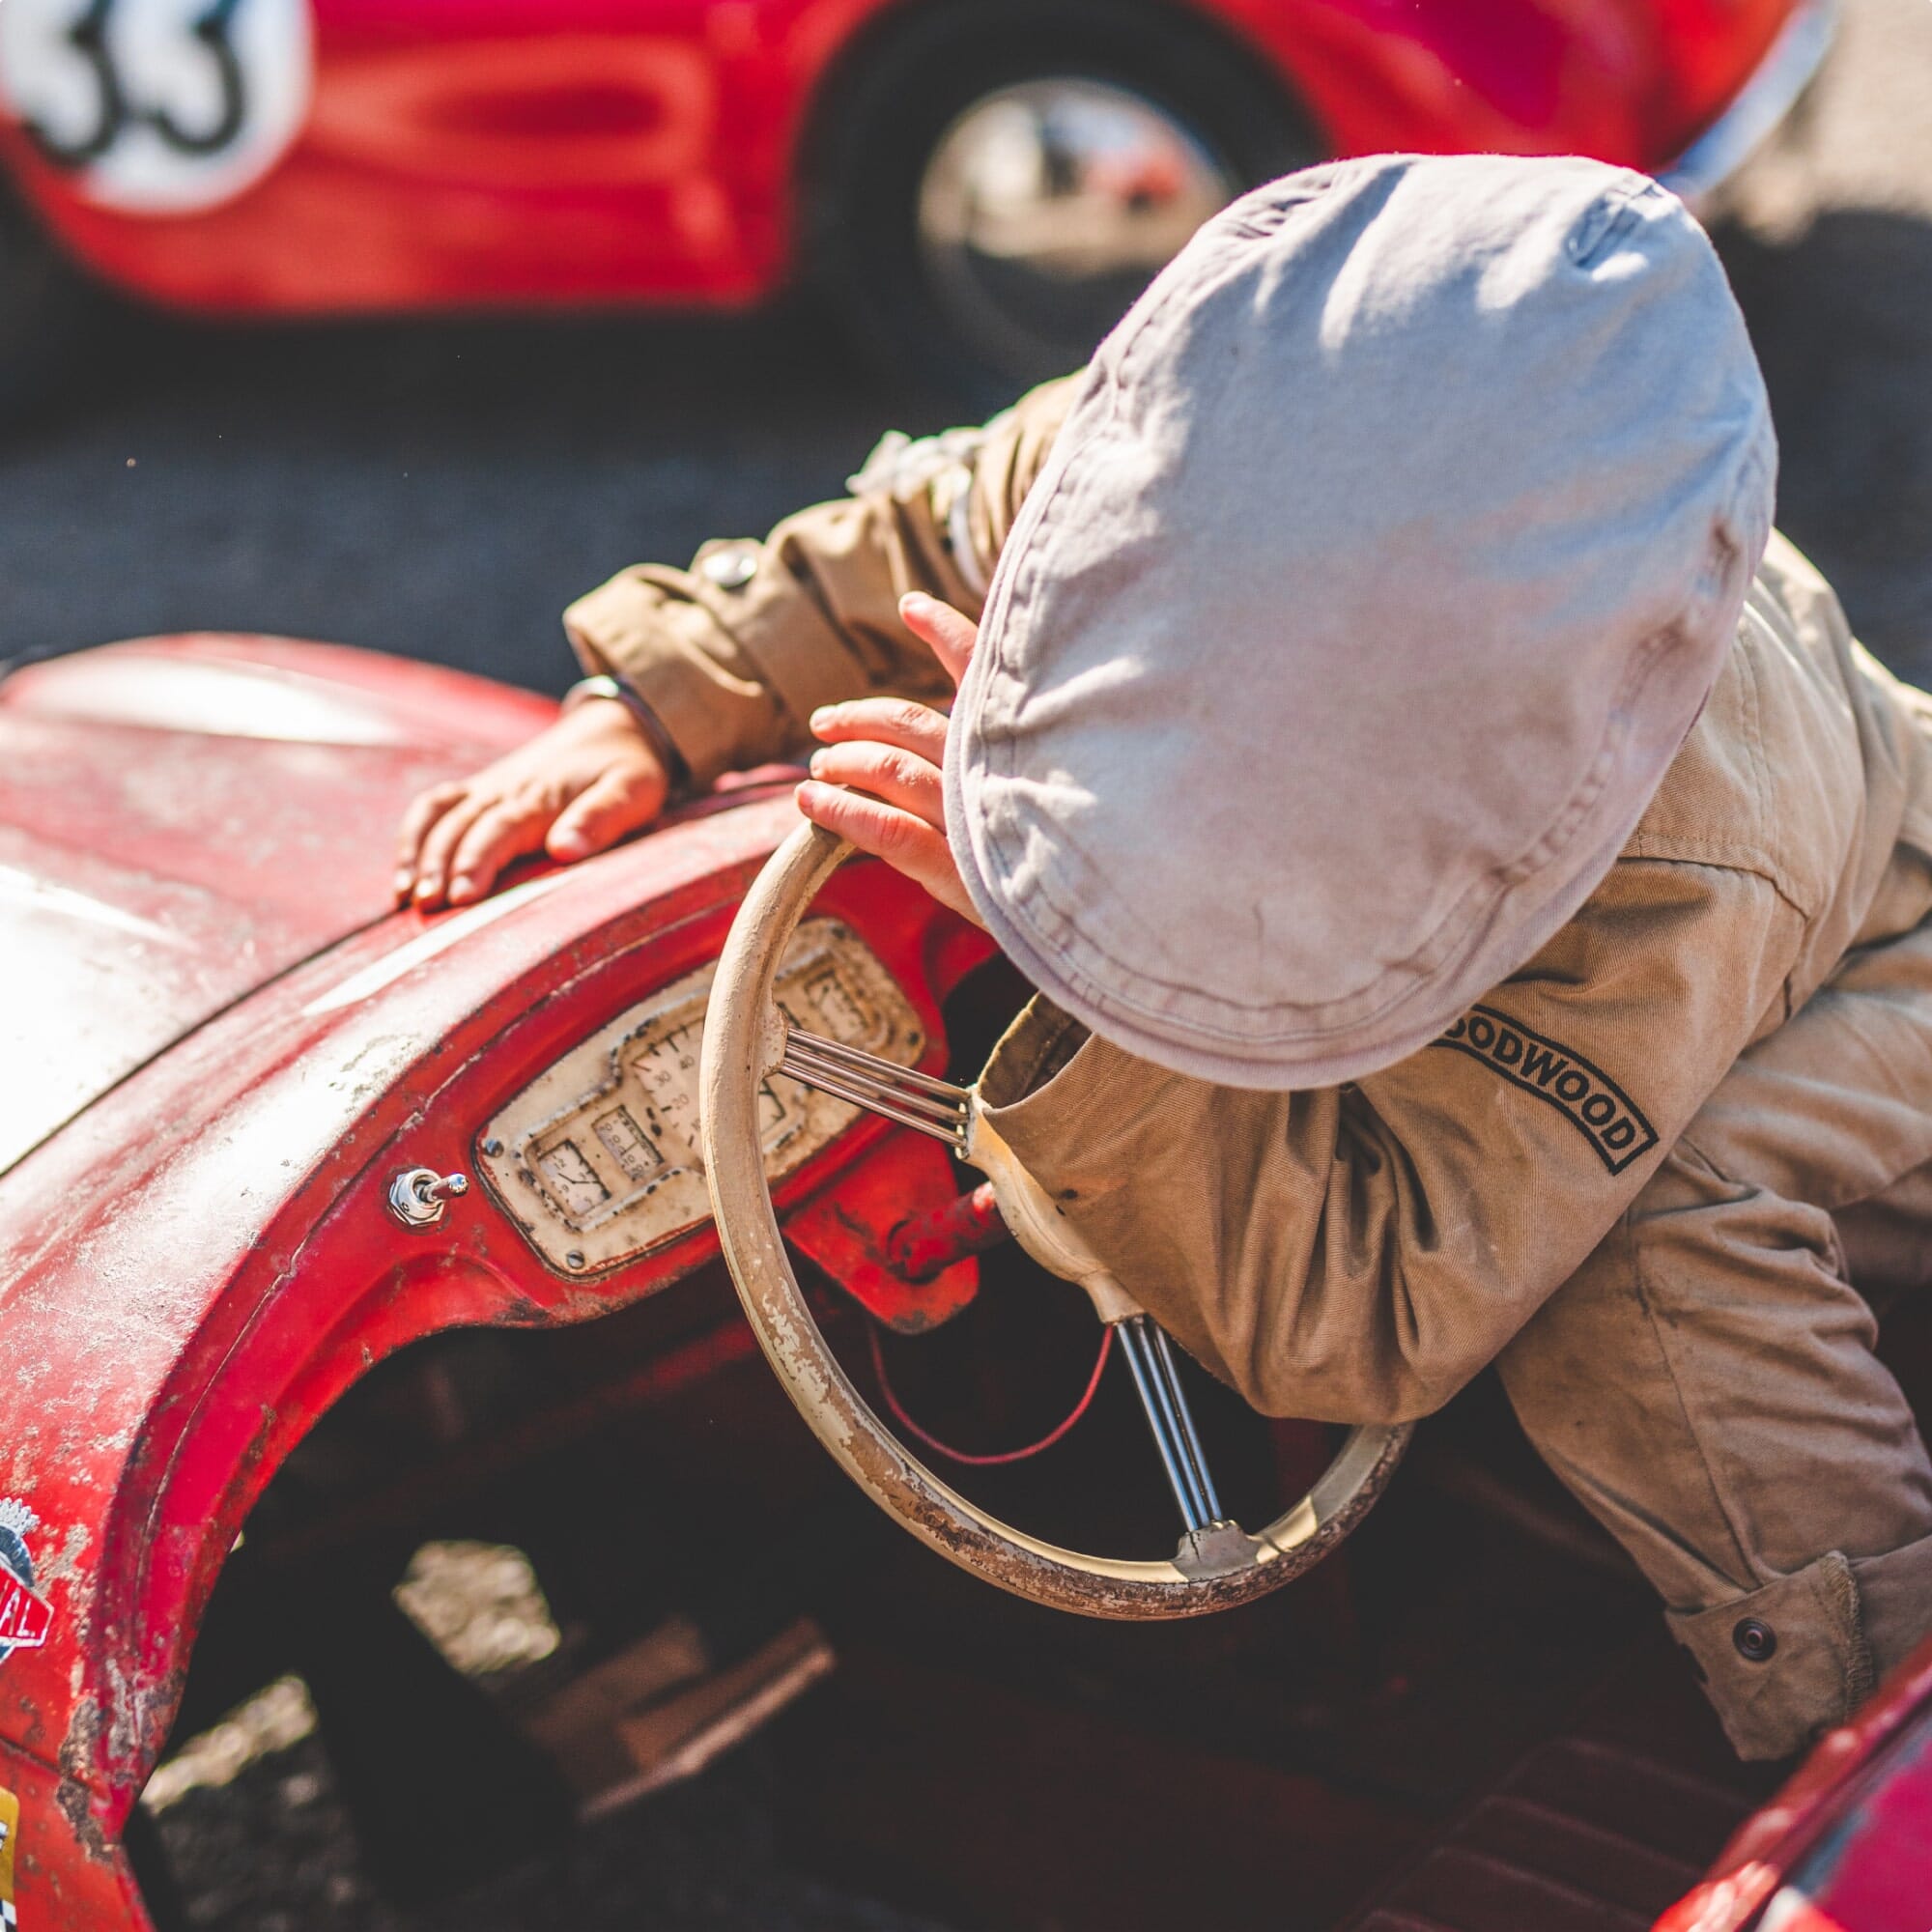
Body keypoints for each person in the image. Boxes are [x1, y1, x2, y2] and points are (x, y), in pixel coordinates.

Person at [395, 154, 1932, 1763]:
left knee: (1661, 1259)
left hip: (1871, 973)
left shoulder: (1681, 863)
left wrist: (1059, 954)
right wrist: (661, 697)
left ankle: (1859, 1748)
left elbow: (1383, 1314)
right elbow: (919, 521)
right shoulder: (1175, 469)